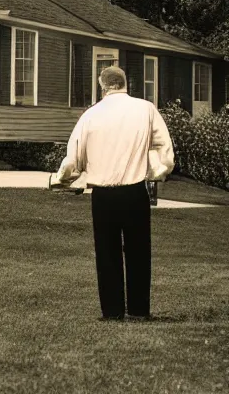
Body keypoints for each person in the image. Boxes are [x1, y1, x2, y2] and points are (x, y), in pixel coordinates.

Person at [55, 66, 175, 321]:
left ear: (103, 86)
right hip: (134, 192)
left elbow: (73, 156)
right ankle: (139, 310)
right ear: (124, 84)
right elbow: (164, 149)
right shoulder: (145, 109)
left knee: (107, 253)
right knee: (138, 252)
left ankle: (112, 311)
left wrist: (62, 178)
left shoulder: (91, 115)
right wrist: (154, 172)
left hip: (103, 196)